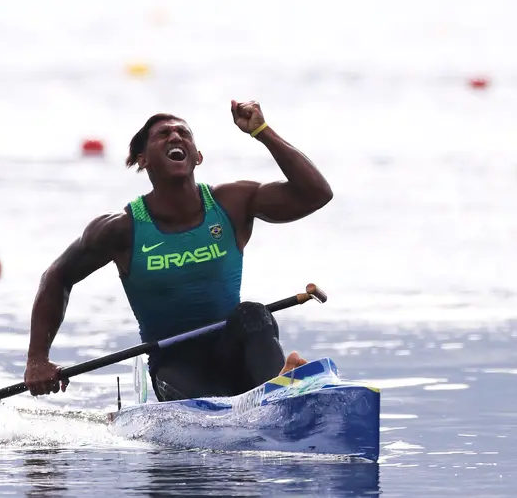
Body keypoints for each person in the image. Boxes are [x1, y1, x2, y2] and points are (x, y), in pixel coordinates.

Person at [24, 99, 333, 401]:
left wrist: (262, 130)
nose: (175, 136)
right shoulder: (121, 230)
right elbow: (57, 276)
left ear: (197, 157)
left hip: (233, 352)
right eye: (163, 134)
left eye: (184, 133)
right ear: (143, 159)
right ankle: (268, 394)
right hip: (175, 364)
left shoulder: (232, 204)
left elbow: (316, 193)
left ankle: (279, 393)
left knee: (252, 313)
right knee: (179, 376)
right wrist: (37, 359)